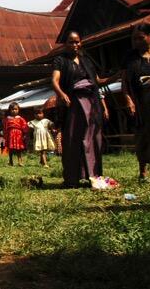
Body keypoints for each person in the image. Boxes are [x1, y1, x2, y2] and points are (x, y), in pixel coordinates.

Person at [51, 31, 109, 188]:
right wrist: (62, 94)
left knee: (92, 138)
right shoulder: (60, 61)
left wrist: (116, 76)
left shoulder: (86, 61)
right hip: (73, 103)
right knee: (72, 138)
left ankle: (93, 175)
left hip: (92, 102)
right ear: (66, 44)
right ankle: (72, 177)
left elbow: (97, 81)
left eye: (77, 42)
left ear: (81, 43)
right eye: (71, 42)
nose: (74, 45)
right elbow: (54, 81)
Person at [123, 23, 150, 180]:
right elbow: (125, 81)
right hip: (140, 101)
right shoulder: (130, 57)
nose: (137, 42)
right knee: (142, 135)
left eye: (140, 38)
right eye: (134, 39)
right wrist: (129, 99)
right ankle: (143, 170)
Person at [4, 102, 28, 166]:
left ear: (18, 110)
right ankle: (10, 161)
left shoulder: (20, 118)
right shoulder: (7, 119)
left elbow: (24, 126)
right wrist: (5, 135)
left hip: (18, 135)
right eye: (12, 109)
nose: (14, 111)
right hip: (10, 135)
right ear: (9, 110)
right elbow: (5, 127)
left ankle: (20, 161)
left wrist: (24, 134)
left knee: (19, 149)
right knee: (10, 149)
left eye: (16, 109)